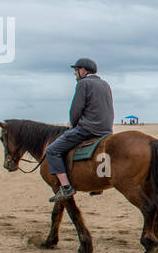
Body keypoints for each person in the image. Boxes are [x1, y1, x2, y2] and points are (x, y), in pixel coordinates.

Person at [45, 57, 114, 203]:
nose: (75, 74)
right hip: (106, 129)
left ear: (83, 70)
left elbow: (76, 109)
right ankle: (97, 185)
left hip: (88, 129)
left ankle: (65, 187)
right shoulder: (105, 84)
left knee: (52, 150)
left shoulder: (84, 83)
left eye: (76, 71)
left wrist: (73, 125)